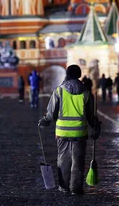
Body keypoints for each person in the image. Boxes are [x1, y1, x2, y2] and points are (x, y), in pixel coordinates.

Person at [38, 65, 101, 195]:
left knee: (63, 160)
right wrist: (96, 127)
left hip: (62, 132)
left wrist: (44, 122)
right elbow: (91, 115)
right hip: (80, 132)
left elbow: (51, 114)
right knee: (78, 161)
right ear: (79, 75)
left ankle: (64, 186)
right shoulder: (86, 92)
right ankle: (76, 188)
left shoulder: (59, 91)